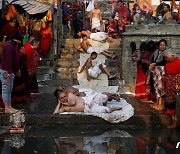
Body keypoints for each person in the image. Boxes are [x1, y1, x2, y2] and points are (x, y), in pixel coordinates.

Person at [0, 32, 22, 113]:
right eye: (19, 40)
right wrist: (9, 72)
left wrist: (17, 69)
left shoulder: (12, 46)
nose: (19, 42)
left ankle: (9, 106)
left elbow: (14, 59)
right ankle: (7, 107)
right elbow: (8, 60)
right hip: (6, 71)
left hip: (10, 70)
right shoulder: (8, 46)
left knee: (9, 90)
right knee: (6, 89)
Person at [53, 90, 122, 114]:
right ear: (59, 99)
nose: (64, 98)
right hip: (88, 108)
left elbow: (73, 103)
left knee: (104, 97)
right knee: (106, 110)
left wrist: (63, 103)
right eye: (62, 98)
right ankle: (112, 108)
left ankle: (112, 95)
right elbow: (55, 113)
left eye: (64, 96)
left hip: (88, 100)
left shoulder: (70, 96)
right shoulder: (64, 108)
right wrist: (59, 104)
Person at [149, 39, 168, 110]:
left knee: (161, 87)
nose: (162, 47)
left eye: (164, 45)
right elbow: (153, 60)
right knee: (156, 86)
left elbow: (164, 62)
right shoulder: (156, 52)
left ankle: (161, 104)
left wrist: (155, 64)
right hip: (156, 71)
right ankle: (157, 102)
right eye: (161, 45)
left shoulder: (166, 53)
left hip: (162, 71)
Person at [164, 52, 180, 129]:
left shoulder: (178, 62)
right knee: (171, 104)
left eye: (167, 58)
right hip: (169, 87)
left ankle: (175, 123)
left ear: (172, 56)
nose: (167, 59)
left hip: (176, 86)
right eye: (166, 58)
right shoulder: (168, 63)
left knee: (175, 105)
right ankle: (173, 122)